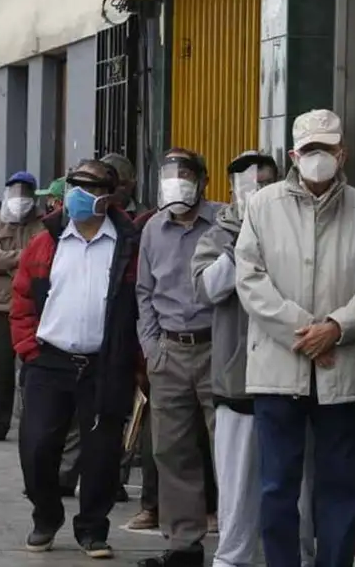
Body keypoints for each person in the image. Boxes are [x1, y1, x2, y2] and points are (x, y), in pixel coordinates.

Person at [234, 109, 355, 567]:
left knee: (341, 486)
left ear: (343, 153)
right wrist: (305, 331)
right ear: (293, 154)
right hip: (279, 369)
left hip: (342, 373)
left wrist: (337, 328)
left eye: (328, 149)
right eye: (310, 150)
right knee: (277, 486)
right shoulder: (262, 207)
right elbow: (250, 280)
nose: (319, 158)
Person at [11, 160, 139, 558]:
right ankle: (45, 517)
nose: (78, 192)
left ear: (109, 195)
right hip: (49, 361)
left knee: (101, 453)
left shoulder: (127, 244)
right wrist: (29, 349)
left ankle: (92, 530)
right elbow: (20, 299)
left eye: (89, 186)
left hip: (104, 364)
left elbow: (138, 305)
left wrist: (132, 361)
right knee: (36, 447)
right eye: (74, 184)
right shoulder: (46, 241)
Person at [190, 151, 282, 566]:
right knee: (236, 497)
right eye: (248, 185)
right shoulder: (218, 233)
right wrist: (242, 242)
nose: (256, 191)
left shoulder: (293, 228)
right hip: (236, 383)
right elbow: (207, 289)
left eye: (265, 183)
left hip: (288, 384)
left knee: (287, 493)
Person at [135, 148, 221, 567]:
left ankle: (240, 540)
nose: (176, 181)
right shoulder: (153, 228)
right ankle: (184, 543)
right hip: (170, 351)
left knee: (230, 448)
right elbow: (144, 293)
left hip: (217, 348)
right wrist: (153, 348)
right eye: (169, 173)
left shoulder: (225, 221)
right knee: (171, 449)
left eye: (185, 173)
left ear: (203, 181)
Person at [0, 172, 43, 442]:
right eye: (14, 192)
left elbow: (42, 259)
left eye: (25, 193)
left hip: (30, 305)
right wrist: (23, 258)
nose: (19, 199)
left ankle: (32, 421)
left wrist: (12, 261)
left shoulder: (40, 223)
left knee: (33, 366)